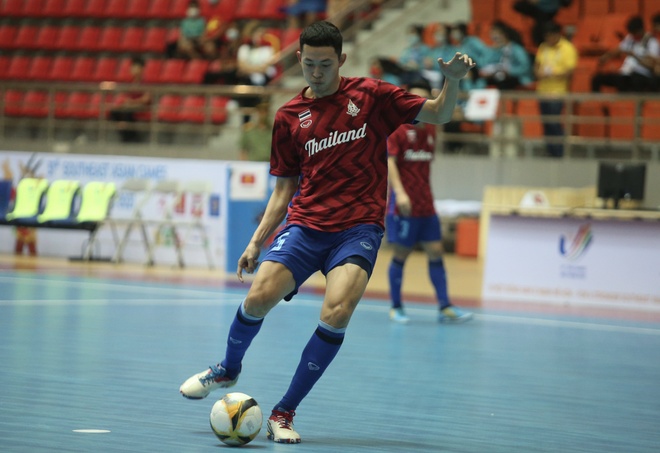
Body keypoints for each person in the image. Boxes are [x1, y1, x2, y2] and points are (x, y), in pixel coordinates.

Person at [179, 20, 474, 444]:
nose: (316, 72)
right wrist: (256, 241)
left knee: (336, 312)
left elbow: (439, 113)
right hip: (305, 224)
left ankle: (283, 412)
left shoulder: (372, 96)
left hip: (358, 228)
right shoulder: (287, 118)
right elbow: (283, 191)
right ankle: (228, 367)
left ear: (341, 60)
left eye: (325, 64)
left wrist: (452, 82)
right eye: (309, 63)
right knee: (259, 296)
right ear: (299, 58)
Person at [385, 79, 474, 324]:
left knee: (436, 251)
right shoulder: (399, 130)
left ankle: (444, 305)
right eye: (414, 98)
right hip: (404, 204)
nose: (418, 103)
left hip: (426, 204)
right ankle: (396, 306)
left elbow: (449, 109)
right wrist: (400, 194)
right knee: (401, 253)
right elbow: (390, 162)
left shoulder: (431, 130)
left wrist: (452, 81)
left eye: (424, 98)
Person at [534, 21, 577, 158]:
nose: (548, 40)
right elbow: (537, 65)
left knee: (554, 123)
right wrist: (538, 73)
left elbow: (569, 72)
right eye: (546, 37)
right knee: (546, 124)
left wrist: (552, 74)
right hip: (542, 91)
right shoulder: (543, 47)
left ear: (557, 34)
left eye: (550, 36)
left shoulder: (567, 48)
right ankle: (550, 151)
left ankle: (560, 153)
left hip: (557, 92)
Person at [591, 16, 659, 93]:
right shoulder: (630, 38)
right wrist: (606, 57)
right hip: (626, 74)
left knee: (634, 80)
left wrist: (635, 57)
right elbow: (619, 49)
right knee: (597, 79)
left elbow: (653, 64)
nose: (633, 35)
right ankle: (595, 102)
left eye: (634, 33)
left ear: (641, 30)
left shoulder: (652, 42)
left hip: (642, 75)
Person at [480, 20, 533, 90]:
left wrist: (509, 71)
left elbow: (525, 67)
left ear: (504, 34)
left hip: (516, 79)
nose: (493, 36)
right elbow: (484, 63)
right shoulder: (495, 50)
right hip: (498, 77)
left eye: (496, 33)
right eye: (492, 33)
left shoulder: (517, 49)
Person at [108, 57, 151, 143]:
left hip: (140, 107)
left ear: (141, 69)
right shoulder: (130, 83)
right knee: (114, 112)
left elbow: (146, 99)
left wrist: (132, 102)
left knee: (127, 112)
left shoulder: (146, 83)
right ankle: (126, 133)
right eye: (132, 67)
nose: (133, 69)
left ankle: (129, 138)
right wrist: (125, 102)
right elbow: (125, 96)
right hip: (130, 107)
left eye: (135, 67)